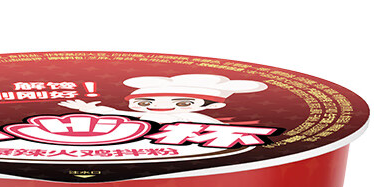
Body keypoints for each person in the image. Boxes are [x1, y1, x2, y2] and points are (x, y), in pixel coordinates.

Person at [60, 73, 267, 125]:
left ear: (211, 106)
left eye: (183, 103)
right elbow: (118, 112)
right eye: (145, 103)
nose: (160, 106)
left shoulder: (197, 120)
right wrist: (91, 109)